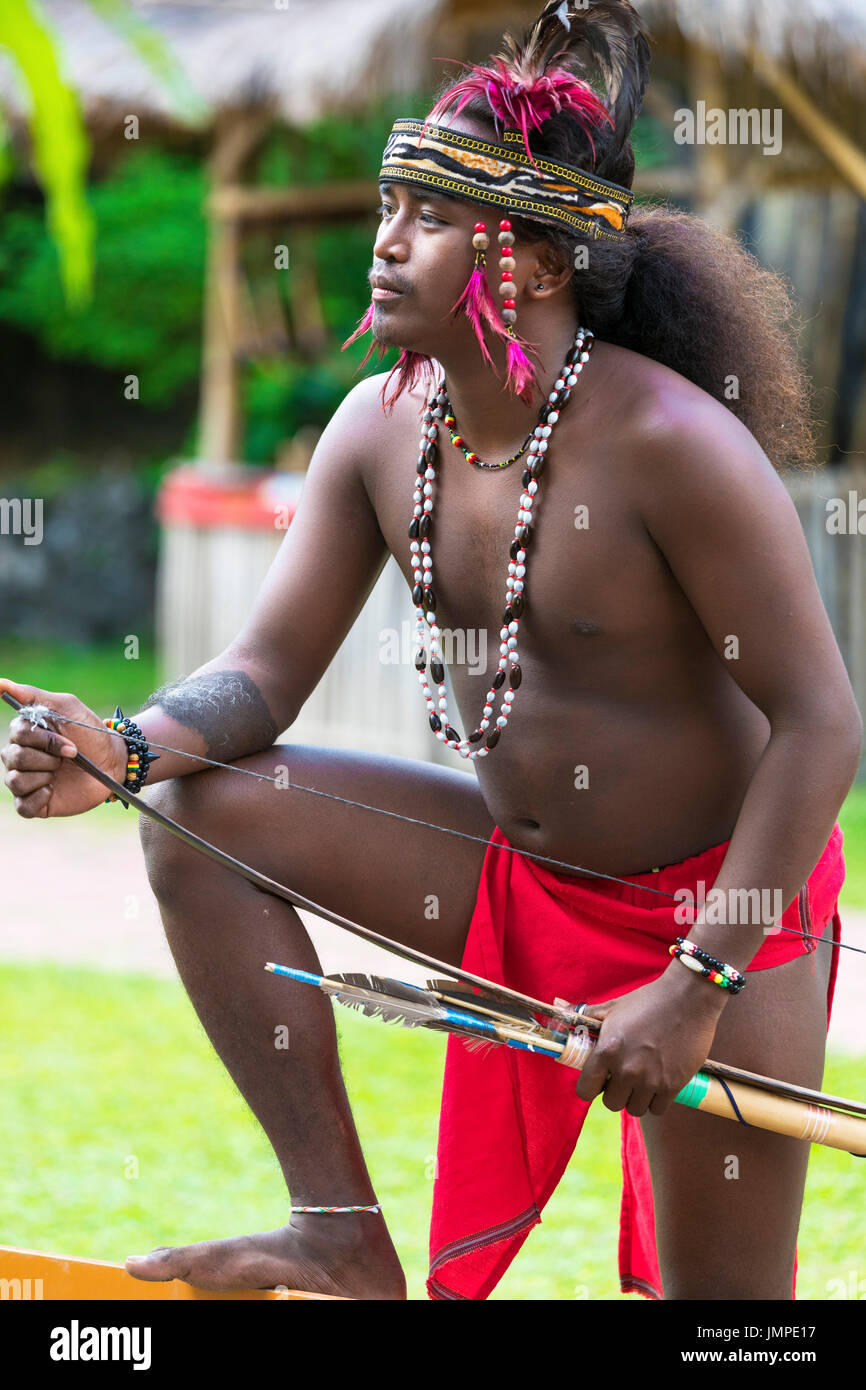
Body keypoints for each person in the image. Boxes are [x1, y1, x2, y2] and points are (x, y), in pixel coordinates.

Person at [1, 0, 861, 1301]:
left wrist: (693, 983)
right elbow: (260, 680)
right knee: (191, 817)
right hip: (516, 878)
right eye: (391, 205)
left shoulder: (675, 447)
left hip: (716, 915)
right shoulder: (373, 427)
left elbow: (821, 722)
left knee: (725, 1322)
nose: (383, 243)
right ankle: (337, 1230)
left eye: (431, 216)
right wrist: (125, 746)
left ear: (537, 259)